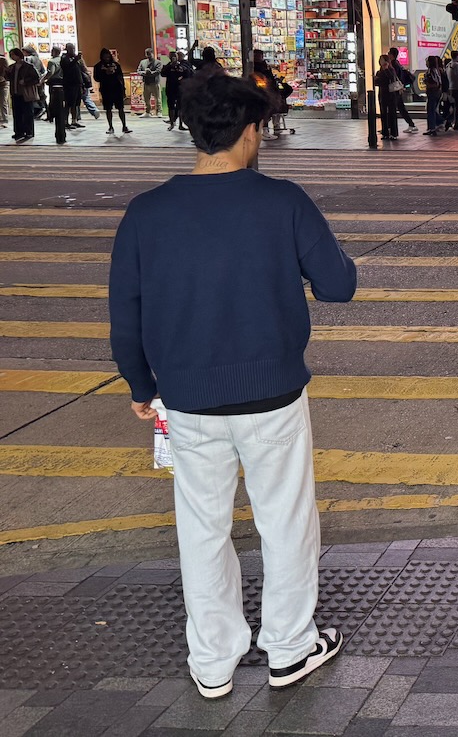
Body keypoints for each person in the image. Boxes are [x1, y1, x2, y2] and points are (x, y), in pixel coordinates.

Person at [108, 73, 357, 699]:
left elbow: (125, 313)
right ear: (250, 132)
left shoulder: (146, 213)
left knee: (201, 529)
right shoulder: (284, 201)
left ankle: (215, 661)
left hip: (188, 400)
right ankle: (290, 648)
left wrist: (141, 384)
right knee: (286, 523)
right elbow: (338, 285)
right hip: (273, 394)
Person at [383, 47, 419, 134]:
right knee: (400, 108)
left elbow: (394, 77)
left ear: (391, 55)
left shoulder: (393, 65)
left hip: (395, 90)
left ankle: (391, 128)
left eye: (389, 53)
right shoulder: (397, 63)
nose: (388, 55)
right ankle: (410, 125)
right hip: (398, 89)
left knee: (395, 108)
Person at [95, 48, 131, 134]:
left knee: (121, 109)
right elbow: (96, 78)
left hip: (117, 89)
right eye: (104, 56)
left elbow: (121, 77)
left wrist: (124, 90)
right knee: (108, 109)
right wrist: (105, 73)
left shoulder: (116, 65)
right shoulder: (98, 66)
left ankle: (124, 126)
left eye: (108, 55)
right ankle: (110, 127)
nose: (106, 57)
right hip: (106, 90)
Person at [8, 47, 37, 143]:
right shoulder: (12, 67)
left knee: (27, 113)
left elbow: (36, 79)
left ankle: (29, 131)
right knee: (17, 114)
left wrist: (25, 81)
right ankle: (18, 131)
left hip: (25, 93)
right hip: (15, 93)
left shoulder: (28, 66)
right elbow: (7, 77)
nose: (12, 56)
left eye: (13, 54)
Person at [44, 47, 69, 145]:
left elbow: (51, 72)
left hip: (55, 86)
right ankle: (62, 132)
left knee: (55, 107)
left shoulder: (52, 61)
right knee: (63, 109)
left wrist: (43, 80)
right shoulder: (63, 61)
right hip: (64, 86)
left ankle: (51, 116)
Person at [373, 55, 401, 141]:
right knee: (383, 113)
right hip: (382, 93)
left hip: (391, 94)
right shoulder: (379, 71)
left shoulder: (391, 70)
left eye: (383, 60)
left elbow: (392, 78)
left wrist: (386, 69)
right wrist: (376, 79)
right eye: (380, 60)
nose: (381, 62)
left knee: (392, 113)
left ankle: (394, 133)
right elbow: (376, 82)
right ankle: (385, 132)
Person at [163, 51, 192, 130]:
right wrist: (170, 66)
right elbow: (163, 73)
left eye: (174, 56)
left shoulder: (181, 65)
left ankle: (181, 124)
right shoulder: (167, 66)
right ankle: (172, 123)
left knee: (180, 106)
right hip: (170, 88)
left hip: (179, 88)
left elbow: (187, 73)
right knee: (171, 106)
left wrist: (179, 69)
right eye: (172, 56)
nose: (173, 58)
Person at [422, 56, 444, 135]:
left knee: (431, 110)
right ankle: (436, 124)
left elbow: (435, 83)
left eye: (427, 61)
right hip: (436, 92)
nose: (426, 63)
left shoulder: (431, 71)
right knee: (432, 110)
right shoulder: (436, 70)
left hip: (433, 93)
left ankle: (432, 127)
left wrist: (427, 83)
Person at [138, 49, 162, 117]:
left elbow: (158, 71)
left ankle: (159, 111)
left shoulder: (158, 62)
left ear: (152, 53)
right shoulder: (142, 62)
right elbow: (138, 71)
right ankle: (147, 111)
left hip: (154, 83)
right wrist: (144, 73)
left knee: (157, 98)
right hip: (146, 83)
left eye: (149, 54)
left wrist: (150, 73)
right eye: (147, 54)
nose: (148, 55)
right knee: (146, 98)